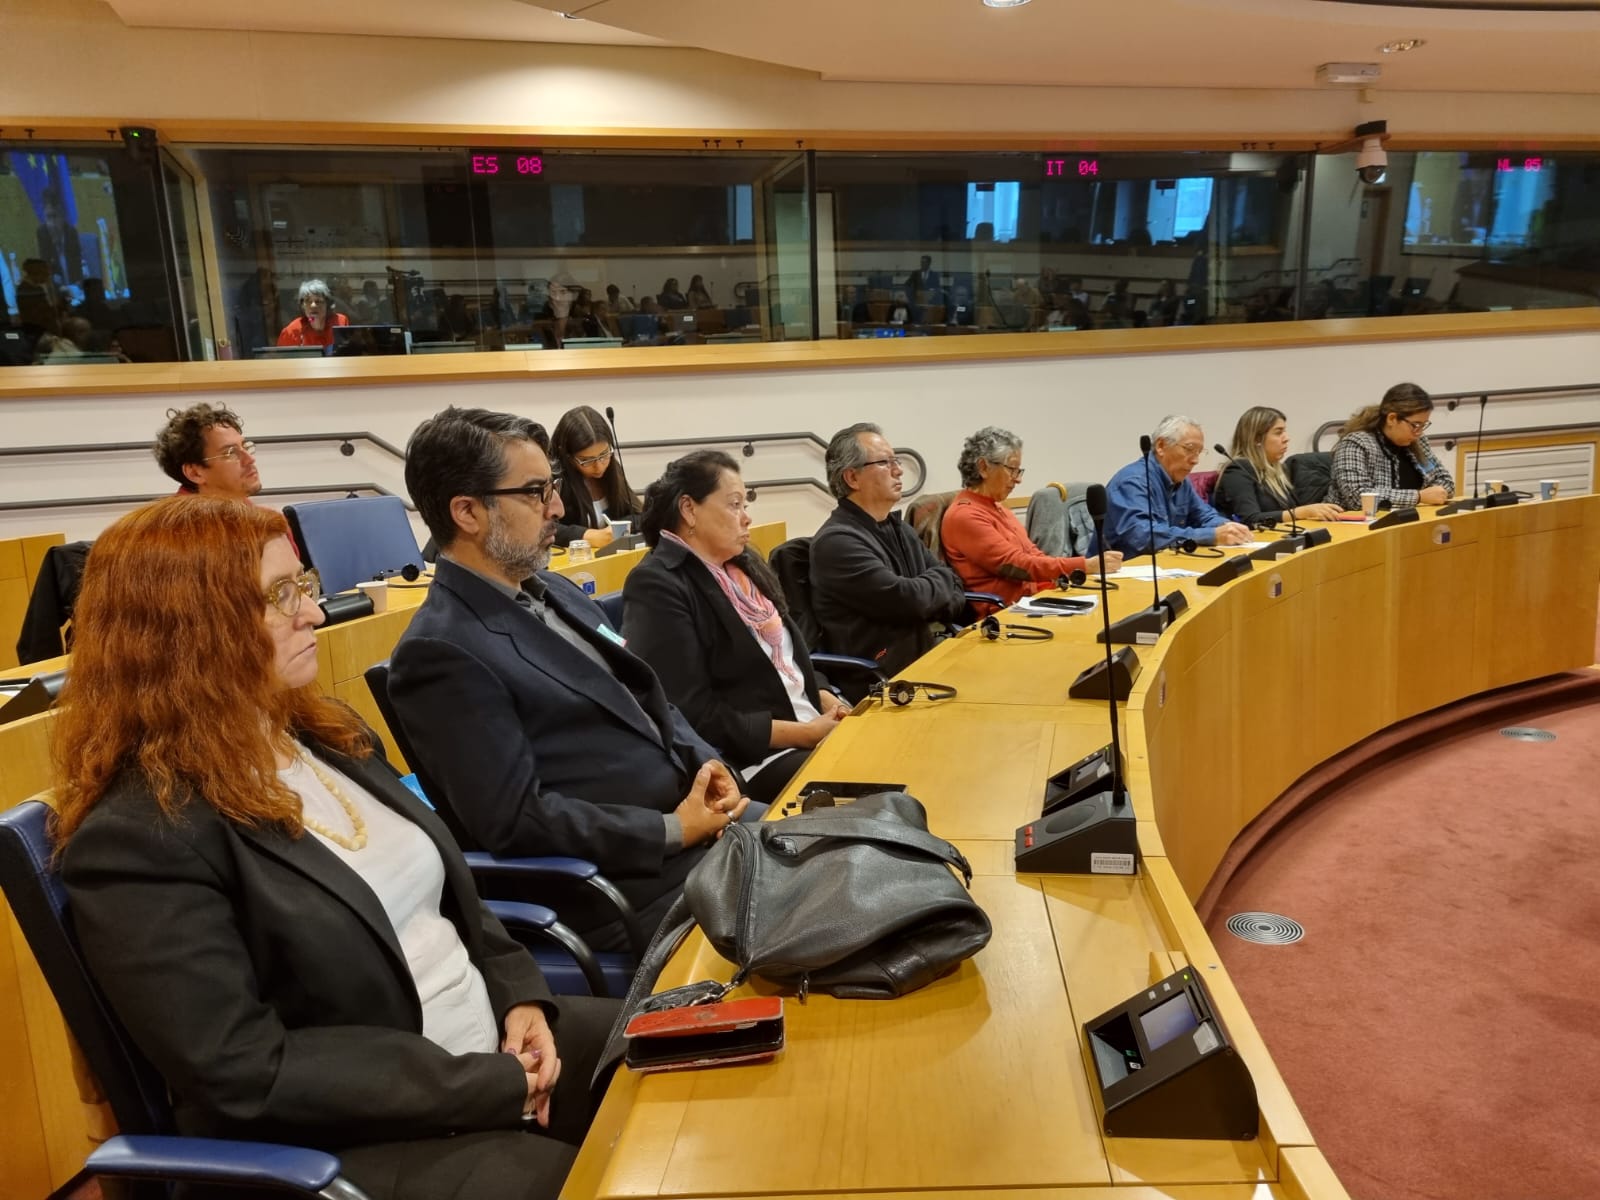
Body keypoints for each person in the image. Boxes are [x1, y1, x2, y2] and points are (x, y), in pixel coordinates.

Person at [52, 496, 619, 1200]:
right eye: (279, 596)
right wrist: (485, 1084)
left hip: (490, 1047)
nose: (314, 614)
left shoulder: (327, 736)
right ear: (189, 630)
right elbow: (244, 1068)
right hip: (352, 1135)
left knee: (673, 1048)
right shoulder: (141, 835)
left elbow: (453, 902)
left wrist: (521, 999)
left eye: (304, 585)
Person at [387, 407, 754, 948]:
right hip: (632, 885)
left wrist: (707, 762)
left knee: (855, 849)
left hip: (701, 829)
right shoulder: (439, 652)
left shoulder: (555, 591)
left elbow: (645, 696)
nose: (557, 507)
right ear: (467, 512)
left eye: (553, 486)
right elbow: (518, 819)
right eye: (536, 492)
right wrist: (672, 830)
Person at [625, 450, 847, 806]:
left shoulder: (742, 566)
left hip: (808, 727)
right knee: (878, 774)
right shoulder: (658, 584)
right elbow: (693, 713)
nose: (746, 517)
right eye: (734, 505)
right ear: (689, 509)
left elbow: (786, 658)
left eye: (745, 504)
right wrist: (805, 734)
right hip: (752, 759)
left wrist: (826, 698)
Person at [810, 422, 966, 685]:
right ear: (852, 478)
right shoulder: (837, 543)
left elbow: (954, 584)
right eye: (885, 462)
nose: (899, 470)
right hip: (879, 679)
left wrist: (930, 598)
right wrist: (934, 595)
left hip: (922, 660)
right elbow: (909, 600)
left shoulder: (898, 528)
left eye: (896, 461)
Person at [941, 426, 1123, 609]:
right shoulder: (964, 516)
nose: (1018, 479)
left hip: (1035, 599)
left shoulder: (998, 507)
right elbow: (1015, 565)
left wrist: (1074, 570)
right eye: (1012, 469)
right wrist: (1084, 565)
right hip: (1005, 612)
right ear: (983, 467)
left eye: (1018, 471)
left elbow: (1033, 554)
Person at [1100, 415, 1252, 555]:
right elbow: (1143, 537)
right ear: (1161, 446)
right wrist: (1211, 535)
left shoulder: (1181, 481)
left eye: (1199, 452)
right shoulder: (1132, 482)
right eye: (1190, 449)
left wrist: (1228, 527)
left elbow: (1204, 515)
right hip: (1125, 569)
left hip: (1166, 564)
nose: (1195, 460)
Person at [1328, 382, 1456, 511]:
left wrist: (1434, 494)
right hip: (1352, 521)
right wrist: (1418, 497)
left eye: (1423, 425)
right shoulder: (1356, 444)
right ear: (1392, 419)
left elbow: (1445, 481)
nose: (1419, 432)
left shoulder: (1418, 442)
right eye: (1415, 425)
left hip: (1411, 518)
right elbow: (1358, 497)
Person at [1212, 406, 1343, 528]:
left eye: (1284, 431)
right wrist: (1302, 512)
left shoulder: (1277, 469)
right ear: (1257, 439)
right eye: (1278, 432)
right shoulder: (1237, 471)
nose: (1286, 438)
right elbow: (1250, 519)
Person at [549, 405, 643, 550]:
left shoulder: (612, 469)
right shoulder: (555, 479)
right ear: (567, 457)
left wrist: (619, 528)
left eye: (604, 454)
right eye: (586, 460)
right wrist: (585, 535)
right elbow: (541, 527)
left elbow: (637, 514)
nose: (599, 466)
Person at [153, 401, 264, 502]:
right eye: (231, 453)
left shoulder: (249, 511)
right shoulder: (179, 518)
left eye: (245, 446)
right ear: (195, 473)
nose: (250, 459)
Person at [276, 278, 349, 348]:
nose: (313, 305)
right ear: (302, 306)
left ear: (327, 304)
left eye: (318, 301)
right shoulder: (291, 332)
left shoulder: (340, 322)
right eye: (308, 301)